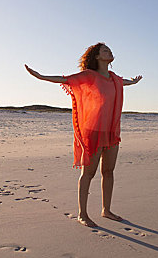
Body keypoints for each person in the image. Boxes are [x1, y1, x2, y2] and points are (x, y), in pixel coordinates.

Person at [24, 42, 142, 227]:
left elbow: (124, 82)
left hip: (111, 131)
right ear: (96, 56)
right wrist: (41, 76)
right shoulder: (89, 76)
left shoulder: (115, 79)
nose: (109, 51)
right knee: (88, 173)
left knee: (108, 171)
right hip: (93, 131)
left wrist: (133, 82)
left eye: (110, 50)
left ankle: (106, 210)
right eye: (105, 50)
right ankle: (83, 214)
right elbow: (65, 79)